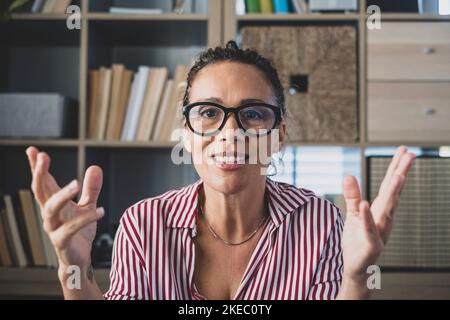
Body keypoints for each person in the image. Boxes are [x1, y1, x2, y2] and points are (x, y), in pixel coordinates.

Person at [25, 40, 415, 300]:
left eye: (253, 114)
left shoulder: (320, 223)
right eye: (209, 113)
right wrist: (73, 266)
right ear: (187, 135)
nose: (232, 132)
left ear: (278, 137)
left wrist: (357, 277)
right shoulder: (143, 225)